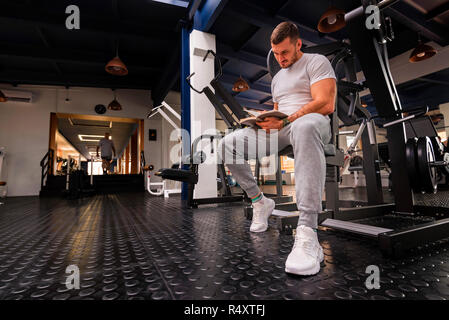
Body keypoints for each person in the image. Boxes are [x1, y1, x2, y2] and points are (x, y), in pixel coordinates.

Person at [218, 22, 336, 276]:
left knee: (304, 126)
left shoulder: (317, 62)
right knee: (226, 144)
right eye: (276, 53)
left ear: (298, 44)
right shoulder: (278, 77)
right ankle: (260, 201)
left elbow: (325, 103)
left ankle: (308, 232)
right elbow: (278, 106)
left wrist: (285, 120)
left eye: (284, 52)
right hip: (282, 127)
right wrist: (263, 119)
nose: (280, 59)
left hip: (311, 123)